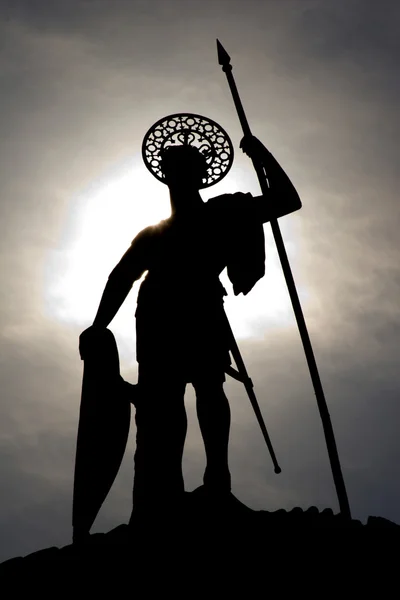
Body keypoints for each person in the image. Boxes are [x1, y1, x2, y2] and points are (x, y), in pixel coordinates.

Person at [79, 135, 301, 520]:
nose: (180, 176)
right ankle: (166, 491)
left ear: (201, 175)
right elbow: (122, 276)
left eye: (188, 169)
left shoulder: (225, 212)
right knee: (163, 402)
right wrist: (98, 325)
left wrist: (263, 156)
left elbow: (286, 201)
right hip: (156, 313)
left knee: (209, 388)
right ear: (166, 176)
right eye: (174, 169)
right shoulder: (152, 234)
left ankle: (218, 478)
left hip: (200, 307)